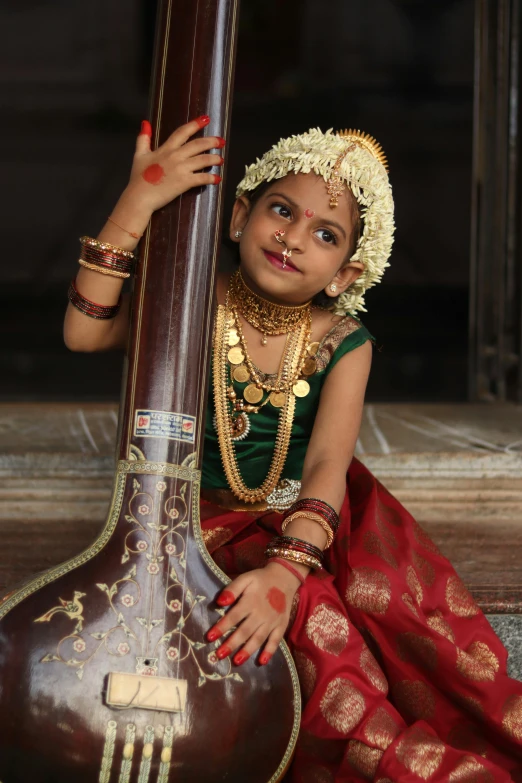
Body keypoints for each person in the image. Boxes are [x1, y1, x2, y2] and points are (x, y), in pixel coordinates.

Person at [64, 117, 522, 782]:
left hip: (299, 534)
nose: (293, 237)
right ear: (240, 216)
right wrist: (138, 202)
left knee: (345, 638)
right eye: (282, 211)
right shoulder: (191, 299)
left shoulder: (343, 341)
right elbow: (85, 332)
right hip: (187, 526)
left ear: (346, 272)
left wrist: (286, 572)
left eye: (325, 234)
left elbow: (327, 465)